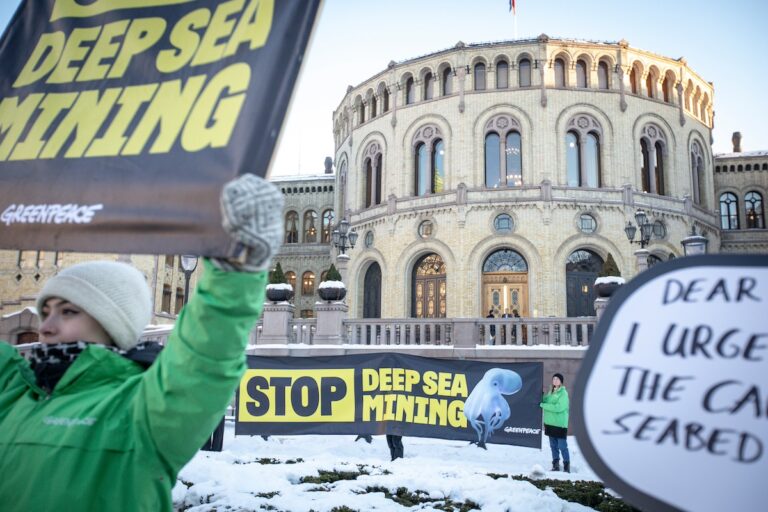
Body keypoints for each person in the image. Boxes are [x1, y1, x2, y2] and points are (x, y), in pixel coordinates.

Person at [0, 174, 283, 511]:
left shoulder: (145, 412)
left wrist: (237, 267)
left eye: (68, 311)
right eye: (45, 311)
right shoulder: (15, 391)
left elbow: (206, 353)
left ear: (111, 323)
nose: (45, 327)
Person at [540, 372, 570, 473]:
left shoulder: (563, 393)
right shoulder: (551, 392)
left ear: (561, 381)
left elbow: (559, 408)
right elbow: (544, 400)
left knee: (562, 446)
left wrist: (543, 405)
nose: (555, 381)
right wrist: (540, 394)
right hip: (550, 423)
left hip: (559, 424)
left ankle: (566, 465)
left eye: (557, 379)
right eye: (554, 379)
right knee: (553, 446)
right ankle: (555, 465)